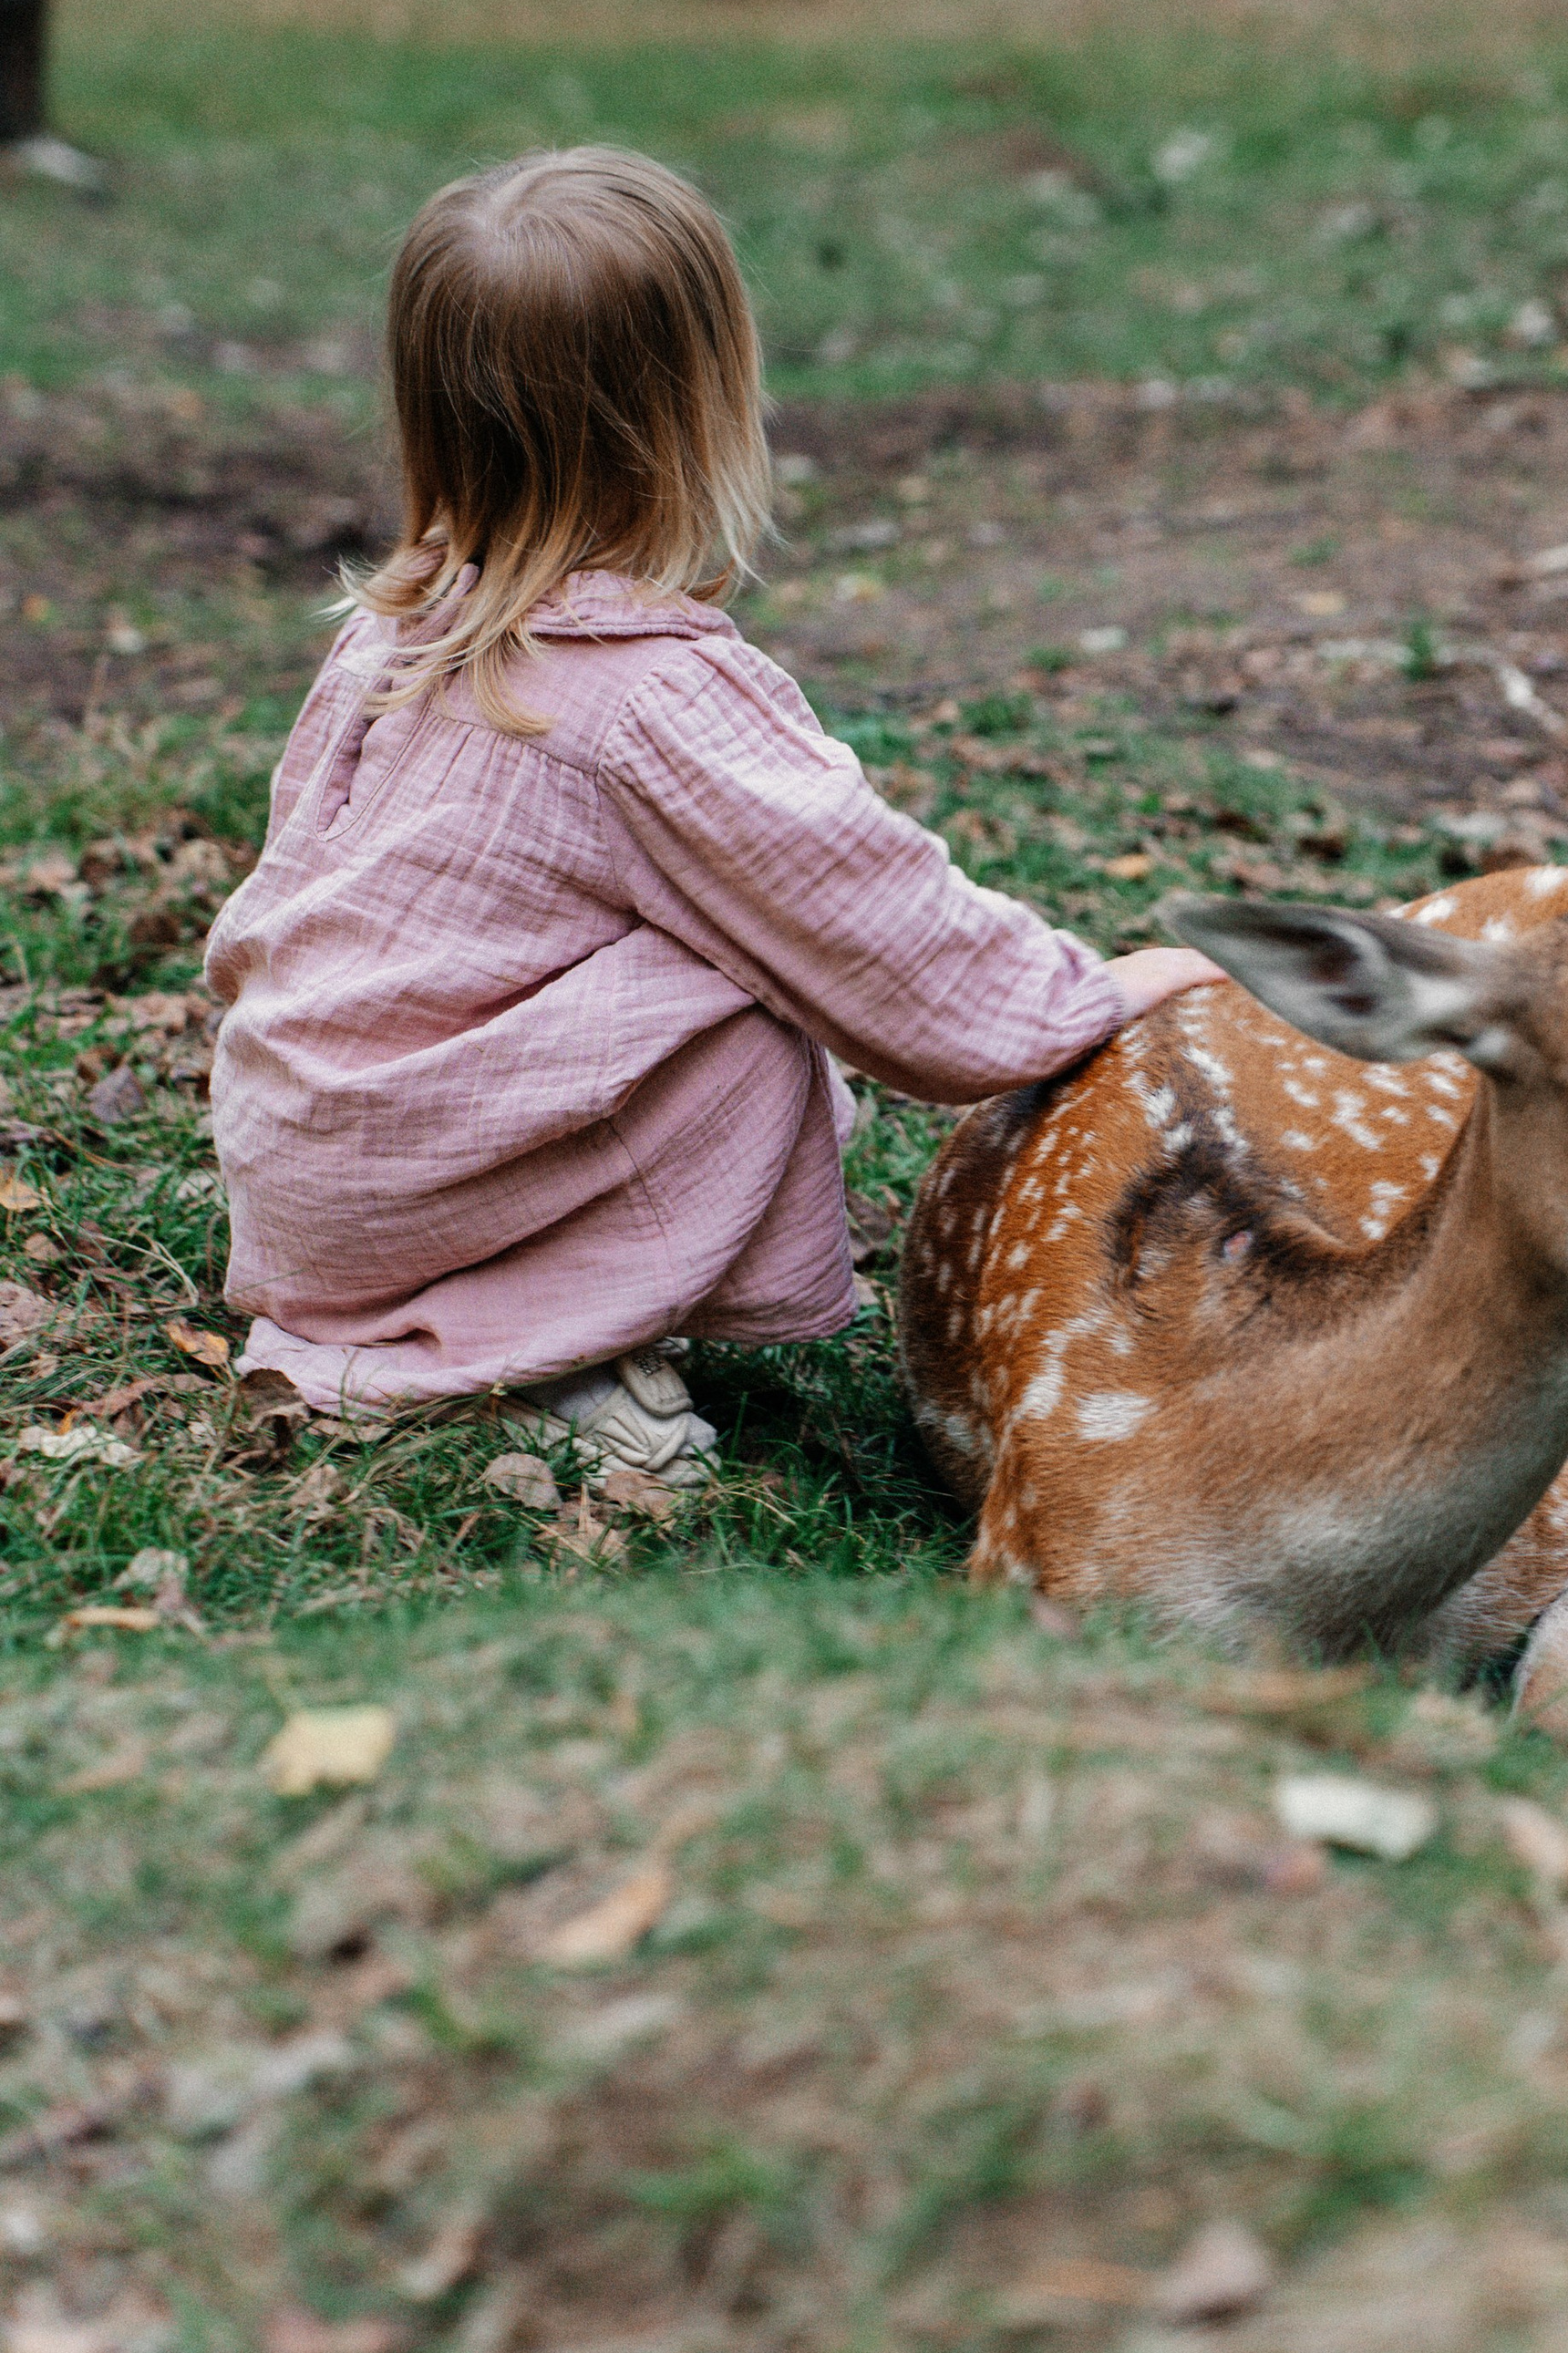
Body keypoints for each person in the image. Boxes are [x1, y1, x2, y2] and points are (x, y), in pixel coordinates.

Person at [203, 148, 1219, 1482]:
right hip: (413, 1188)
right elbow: (893, 948)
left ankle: (439, 1304)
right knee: (743, 993)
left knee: (691, 949)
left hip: (302, 1157)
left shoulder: (398, 622)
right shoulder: (657, 704)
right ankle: (525, 1359)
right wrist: (1105, 992)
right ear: (699, 407)